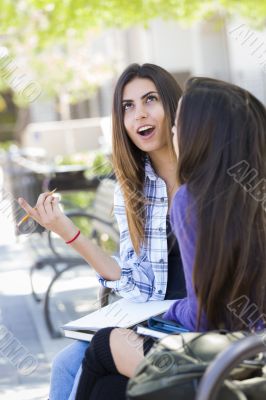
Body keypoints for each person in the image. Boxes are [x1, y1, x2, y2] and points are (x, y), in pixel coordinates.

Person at [75, 77, 266, 399]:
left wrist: (170, 312)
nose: (175, 133)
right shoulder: (246, 191)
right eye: (128, 106)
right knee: (111, 384)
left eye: (179, 126)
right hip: (247, 349)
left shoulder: (193, 199)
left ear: (202, 134)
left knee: (103, 347)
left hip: (231, 359)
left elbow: (205, 314)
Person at [18, 63, 185, 400]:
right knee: (66, 362)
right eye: (128, 107)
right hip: (155, 320)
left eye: (150, 100)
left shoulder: (208, 176)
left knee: (101, 383)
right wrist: (66, 230)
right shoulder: (134, 190)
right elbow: (137, 284)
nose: (139, 114)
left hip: (196, 324)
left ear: (173, 107)